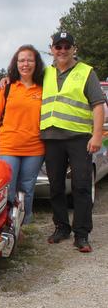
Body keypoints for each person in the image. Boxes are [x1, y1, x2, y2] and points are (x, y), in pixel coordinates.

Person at [41, 32, 105, 252]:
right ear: (52, 49)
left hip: (79, 138)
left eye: (67, 46)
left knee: (81, 186)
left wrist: (97, 135)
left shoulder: (86, 72)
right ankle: (61, 227)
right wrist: (4, 80)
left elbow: (98, 105)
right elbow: (23, 81)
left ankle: (82, 233)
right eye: (58, 47)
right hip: (51, 139)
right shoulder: (45, 73)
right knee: (56, 186)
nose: (62, 50)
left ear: (74, 49)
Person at [0, 45, 45, 224]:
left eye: (30, 60)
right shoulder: (7, 87)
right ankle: (6, 224)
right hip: (8, 146)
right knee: (9, 188)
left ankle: (24, 224)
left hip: (35, 147)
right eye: (21, 60)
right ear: (16, 63)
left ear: (36, 63)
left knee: (27, 188)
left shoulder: (44, 88)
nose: (25, 64)